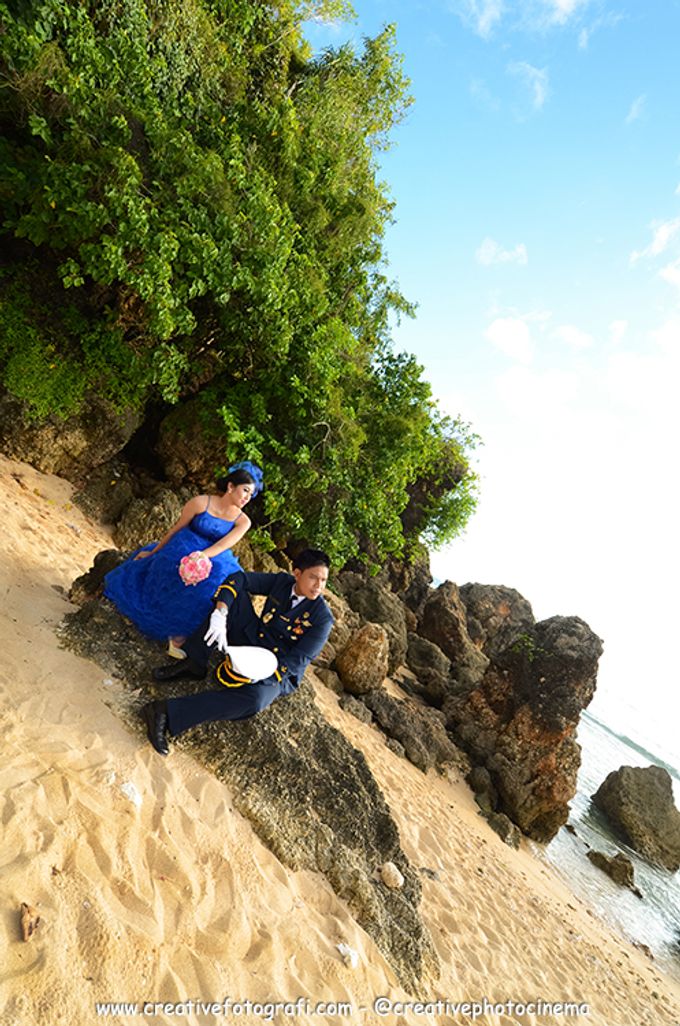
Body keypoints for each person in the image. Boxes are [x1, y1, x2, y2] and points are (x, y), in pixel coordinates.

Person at [141, 548, 334, 755]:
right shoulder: (282, 582)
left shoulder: (322, 618)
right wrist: (221, 613)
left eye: (323, 581)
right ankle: (195, 662)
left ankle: (165, 711)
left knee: (255, 700)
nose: (318, 586)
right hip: (255, 639)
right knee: (234, 598)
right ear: (297, 573)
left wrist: (257, 674)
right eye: (314, 577)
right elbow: (239, 579)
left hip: (278, 668)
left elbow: (299, 659)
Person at [104, 461, 263, 650]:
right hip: (184, 544)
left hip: (215, 554)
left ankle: (183, 634)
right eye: (245, 490)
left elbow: (223, 544)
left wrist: (201, 557)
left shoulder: (243, 521)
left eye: (251, 494)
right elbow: (175, 529)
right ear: (230, 486)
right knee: (169, 568)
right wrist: (153, 551)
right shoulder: (201, 502)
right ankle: (164, 621)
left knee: (217, 585)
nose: (247, 497)